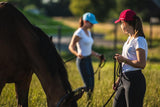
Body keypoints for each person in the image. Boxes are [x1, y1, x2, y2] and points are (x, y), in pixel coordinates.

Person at [113, 9, 148, 107]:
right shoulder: (129, 39)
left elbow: (142, 64)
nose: (120, 26)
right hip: (124, 79)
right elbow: (125, 64)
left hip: (134, 80)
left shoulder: (139, 40)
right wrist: (118, 80)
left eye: (120, 23)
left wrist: (124, 59)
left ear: (124, 23)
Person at [68, 12, 104, 100]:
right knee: (88, 86)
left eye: (93, 23)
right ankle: (70, 97)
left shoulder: (88, 32)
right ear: (85, 21)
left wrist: (98, 55)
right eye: (91, 23)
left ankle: (89, 103)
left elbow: (88, 49)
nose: (92, 25)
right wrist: (77, 54)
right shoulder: (79, 32)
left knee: (92, 85)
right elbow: (71, 46)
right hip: (82, 61)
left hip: (89, 60)